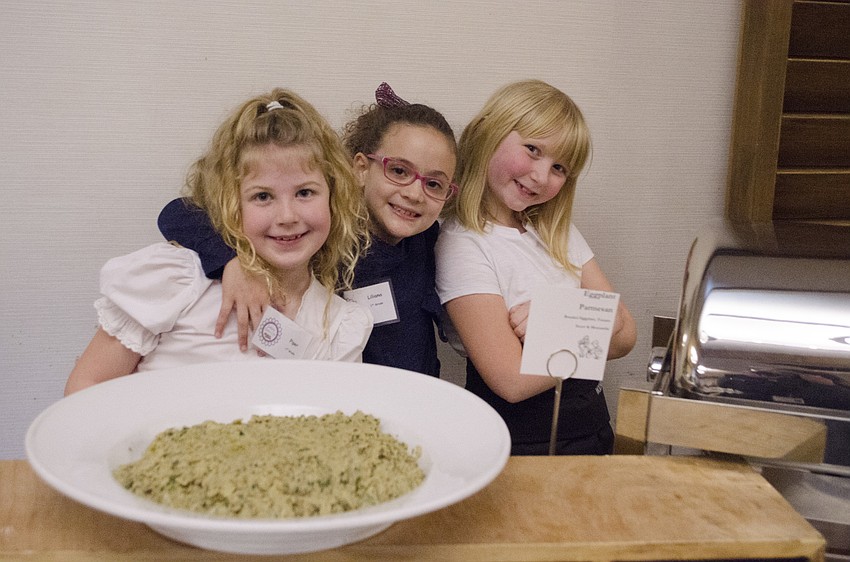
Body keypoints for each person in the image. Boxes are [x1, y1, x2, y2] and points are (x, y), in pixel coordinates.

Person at [65, 89, 372, 395]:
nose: (287, 216)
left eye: (305, 192)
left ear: (334, 196)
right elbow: (86, 387)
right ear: (230, 202)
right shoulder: (180, 280)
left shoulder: (340, 326)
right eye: (262, 196)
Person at [157, 83, 458, 376]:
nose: (415, 194)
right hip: (344, 387)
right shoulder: (325, 235)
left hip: (418, 393)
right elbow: (180, 213)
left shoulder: (427, 239)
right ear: (361, 169)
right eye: (399, 171)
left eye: (434, 184)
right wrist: (231, 262)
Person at [435, 79, 637, 455]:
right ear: (489, 133)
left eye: (559, 167)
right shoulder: (463, 243)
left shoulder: (555, 230)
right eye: (532, 150)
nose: (541, 176)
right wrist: (594, 320)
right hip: (522, 443)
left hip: (593, 428)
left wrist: (553, 320)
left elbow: (626, 335)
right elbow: (512, 381)